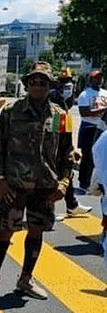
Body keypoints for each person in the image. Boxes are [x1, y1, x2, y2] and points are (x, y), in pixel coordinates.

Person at [0, 62, 73, 301]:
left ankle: (25, 278)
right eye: (34, 81)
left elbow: (67, 153)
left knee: (36, 232)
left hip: (44, 188)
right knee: (4, 232)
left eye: (43, 81)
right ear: (27, 84)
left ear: (50, 85)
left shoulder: (60, 116)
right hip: (14, 186)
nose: (38, 85)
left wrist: (64, 182)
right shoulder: (11, 112)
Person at [49, 70, 91, 217]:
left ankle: (71, 204)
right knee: (55, 171)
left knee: (67, 172)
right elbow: (57, 128)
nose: (68, 84)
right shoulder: (55, 97)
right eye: (65, 81)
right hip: (57, 130)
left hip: (64, 123)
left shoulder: (61, 97)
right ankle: (52, 210)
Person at [77, 69, 107, 191]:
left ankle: (99, 183)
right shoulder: (85, 95)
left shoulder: (105, 93)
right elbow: (84, 113)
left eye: (100, 78)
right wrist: (103, 111)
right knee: (87, 157)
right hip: (88, 128)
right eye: (96, 78)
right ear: (91, 79)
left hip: (102, 128)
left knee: (101, 156)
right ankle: (84, 182)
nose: (99, 80)